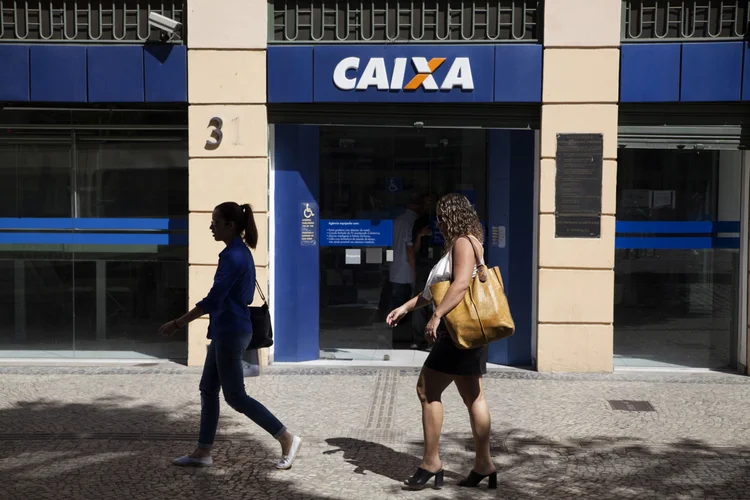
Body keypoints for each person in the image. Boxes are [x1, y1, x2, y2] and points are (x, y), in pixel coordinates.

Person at [159, 202, 302, 470]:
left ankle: (286, 438)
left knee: (236, 397)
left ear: (231, 225)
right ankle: (203, 451)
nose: (211, 226)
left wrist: (178, 323)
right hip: (228, 329)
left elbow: (213, 300)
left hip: (231, 331)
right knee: (208, 389)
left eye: (215, 221)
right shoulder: (238, 253)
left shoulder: (234, 256)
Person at [386, 193, 496, 490]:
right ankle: (484, 465)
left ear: (449, 218)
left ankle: (431, 462)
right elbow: (434, 291)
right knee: (474, 397)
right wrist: (406, 308)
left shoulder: (462, 243)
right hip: (472, 332)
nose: (436, 223)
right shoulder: (471, 241)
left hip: (455, 333)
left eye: (439, 217)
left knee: (426, 390)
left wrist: (435, 318)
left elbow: (460, 285)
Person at [388, 193, 423, 343]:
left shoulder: (397, 220)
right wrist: (415, 273)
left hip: (394, 269)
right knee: (405, 308)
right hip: (406, 270)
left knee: (396, 305)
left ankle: (396, 337)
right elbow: (410, 250)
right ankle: (403, 339)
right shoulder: (413, 221)